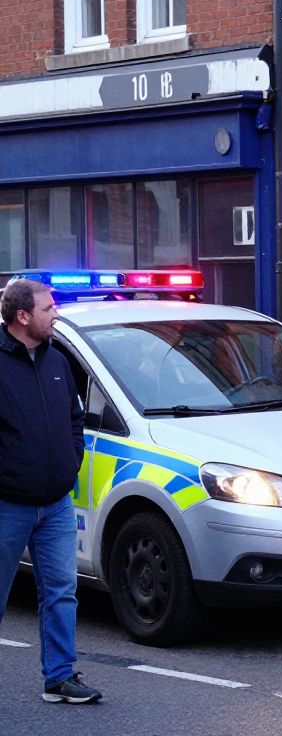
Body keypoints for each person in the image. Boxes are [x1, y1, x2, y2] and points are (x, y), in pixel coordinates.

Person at [0, 279, 102, 704]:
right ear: (23, 316)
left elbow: (74, 419)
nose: (56, 314)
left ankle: (59, 677)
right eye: (48, 308)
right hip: (7, 504)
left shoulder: (57, 359)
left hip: (57, 503)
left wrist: (71, 461)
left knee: (61, 592)